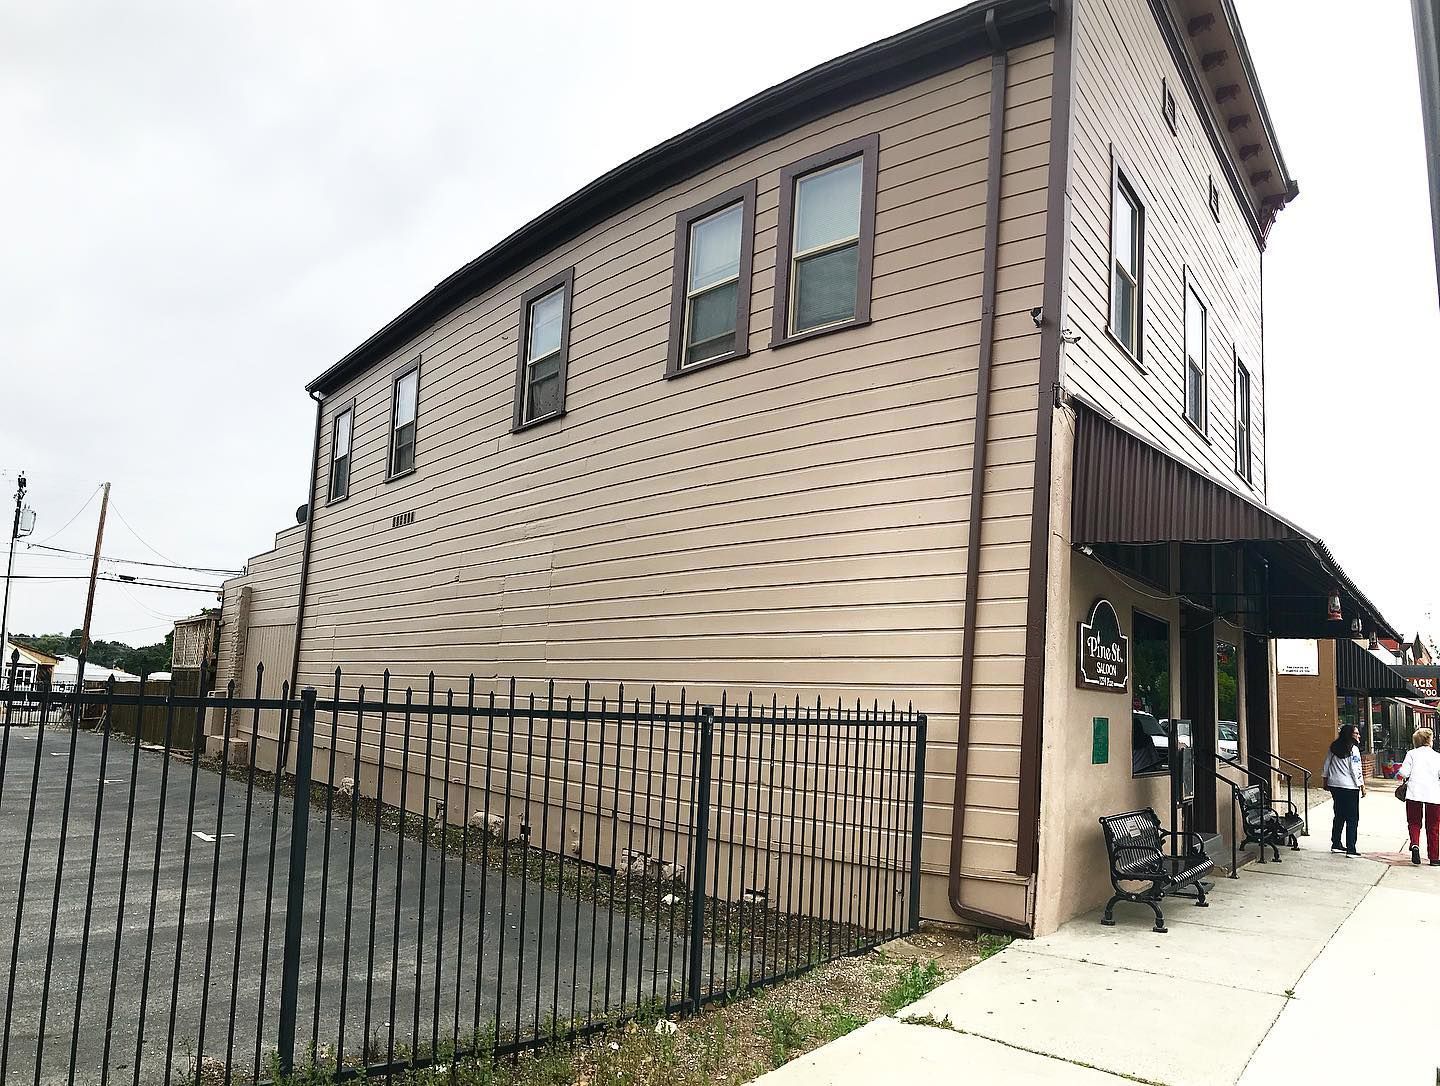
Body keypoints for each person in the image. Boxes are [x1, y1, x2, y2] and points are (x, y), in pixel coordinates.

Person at [1396, 726, 1440, 866]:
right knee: (1433, 825)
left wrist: (1398, 775)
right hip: (1434, 794)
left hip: (1414, 792)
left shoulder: (1411, 754)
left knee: (1414, 822)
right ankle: (1434, 857)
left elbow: (1403, 773)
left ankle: (1415, 844)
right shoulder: (1437, 756)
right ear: (1430, 740)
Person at [1322, 724, 1365, 856]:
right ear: (1350, 734)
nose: (1359, 736)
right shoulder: (1354, 750)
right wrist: (1361, 785)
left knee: (1339, 814)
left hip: (1335, 785)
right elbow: (1355, 769)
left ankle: (1336, 843)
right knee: (1352, 817)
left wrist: (1325, 780)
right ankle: (1351, 848)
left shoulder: (1333, 747)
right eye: (1356, 733)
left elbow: (1326, 764)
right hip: (1350, 786)